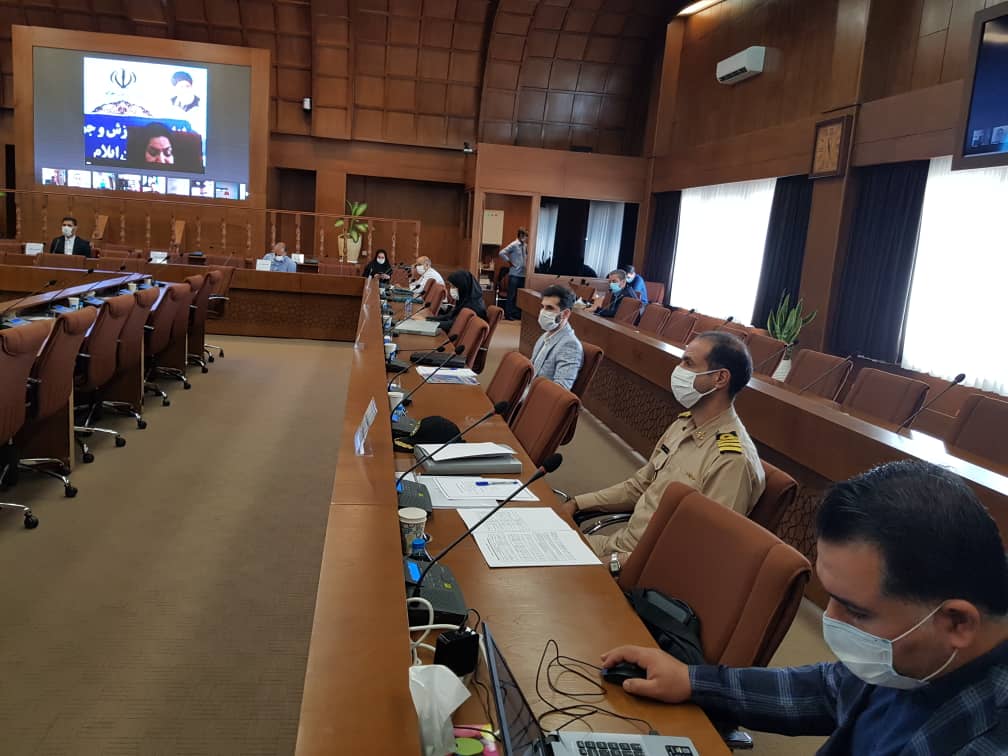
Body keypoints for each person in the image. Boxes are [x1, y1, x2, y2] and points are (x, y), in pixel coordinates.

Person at [601, 460, 1008, 754]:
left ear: (957, 623)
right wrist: (692, 681)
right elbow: (828, 689)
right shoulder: (920, 653)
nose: (830, 619)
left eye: (856, 611)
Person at [561, 331, 764, 559]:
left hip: (642, 567)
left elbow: (702, 550)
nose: (678, 369)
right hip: (617, 547)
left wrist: (617, 564)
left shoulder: (731, 460)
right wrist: (578, 503)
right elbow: (639, 486)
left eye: (688, 363)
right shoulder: (684, 424)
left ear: (720, 378)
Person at [531, 285, 584, 391]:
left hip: (538, 397)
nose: (543, 312)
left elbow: (560, 390)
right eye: (543, 307)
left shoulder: (570, 345)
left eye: (550, 308)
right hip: (527, 390)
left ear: (565, 313)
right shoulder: (545, 336)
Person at [499, 227, 528, 321]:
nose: (526, 238)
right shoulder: (514, 244)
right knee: (511, 295)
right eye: (525, 236)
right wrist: (509, 262)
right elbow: (501, 253)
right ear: (521, 235)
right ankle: (508, 314)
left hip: (523, 274)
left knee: (519, 296)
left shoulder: (525, 246)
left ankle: (516, 314)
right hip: (515, 274)